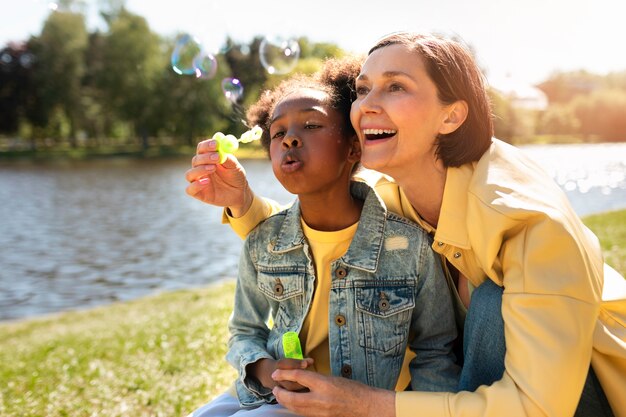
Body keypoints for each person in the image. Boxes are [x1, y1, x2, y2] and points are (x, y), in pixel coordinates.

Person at [186, 33, 626, 417]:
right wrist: (242, 204)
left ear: (451, 116)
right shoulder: (397, 188)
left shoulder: (531, 224)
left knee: (491, 305)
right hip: (478, 386)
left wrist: (364, 406)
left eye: (395, 86)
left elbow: (537, 407)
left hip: (586, 395)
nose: (366, 106)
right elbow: (321, 229)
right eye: (361, 89)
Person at [186, 56, 459, 417]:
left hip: (353, 406)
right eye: (278, 133)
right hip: (275, 392)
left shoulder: (407, 246)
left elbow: (436, 350)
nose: (290, 139)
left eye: (311, 125)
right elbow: (244, 332)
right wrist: (267, 371)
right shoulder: (263, 240)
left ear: (353, 149)